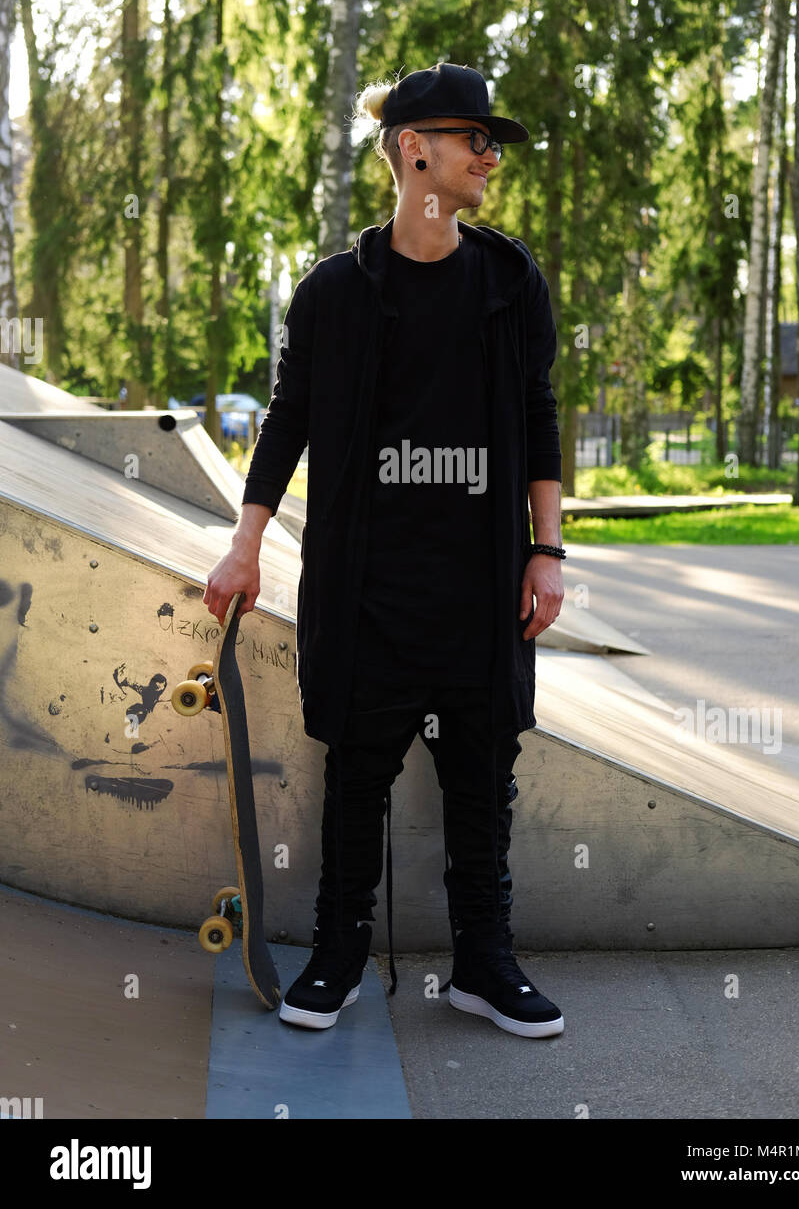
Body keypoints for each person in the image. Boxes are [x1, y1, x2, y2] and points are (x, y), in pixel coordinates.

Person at [204, 62, 566, 1038]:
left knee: (481, 776)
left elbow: (538, 418)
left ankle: (484, 965)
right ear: (415, 150)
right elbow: (286, 421)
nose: (489, 155)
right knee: (356, 773)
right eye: (473, 138)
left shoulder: (507, 280)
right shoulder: (334, 292)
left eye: (492, 142)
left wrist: (547, 550)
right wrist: (244, 545)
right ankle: (336, 953)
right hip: (365, 582)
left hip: (483, 584)